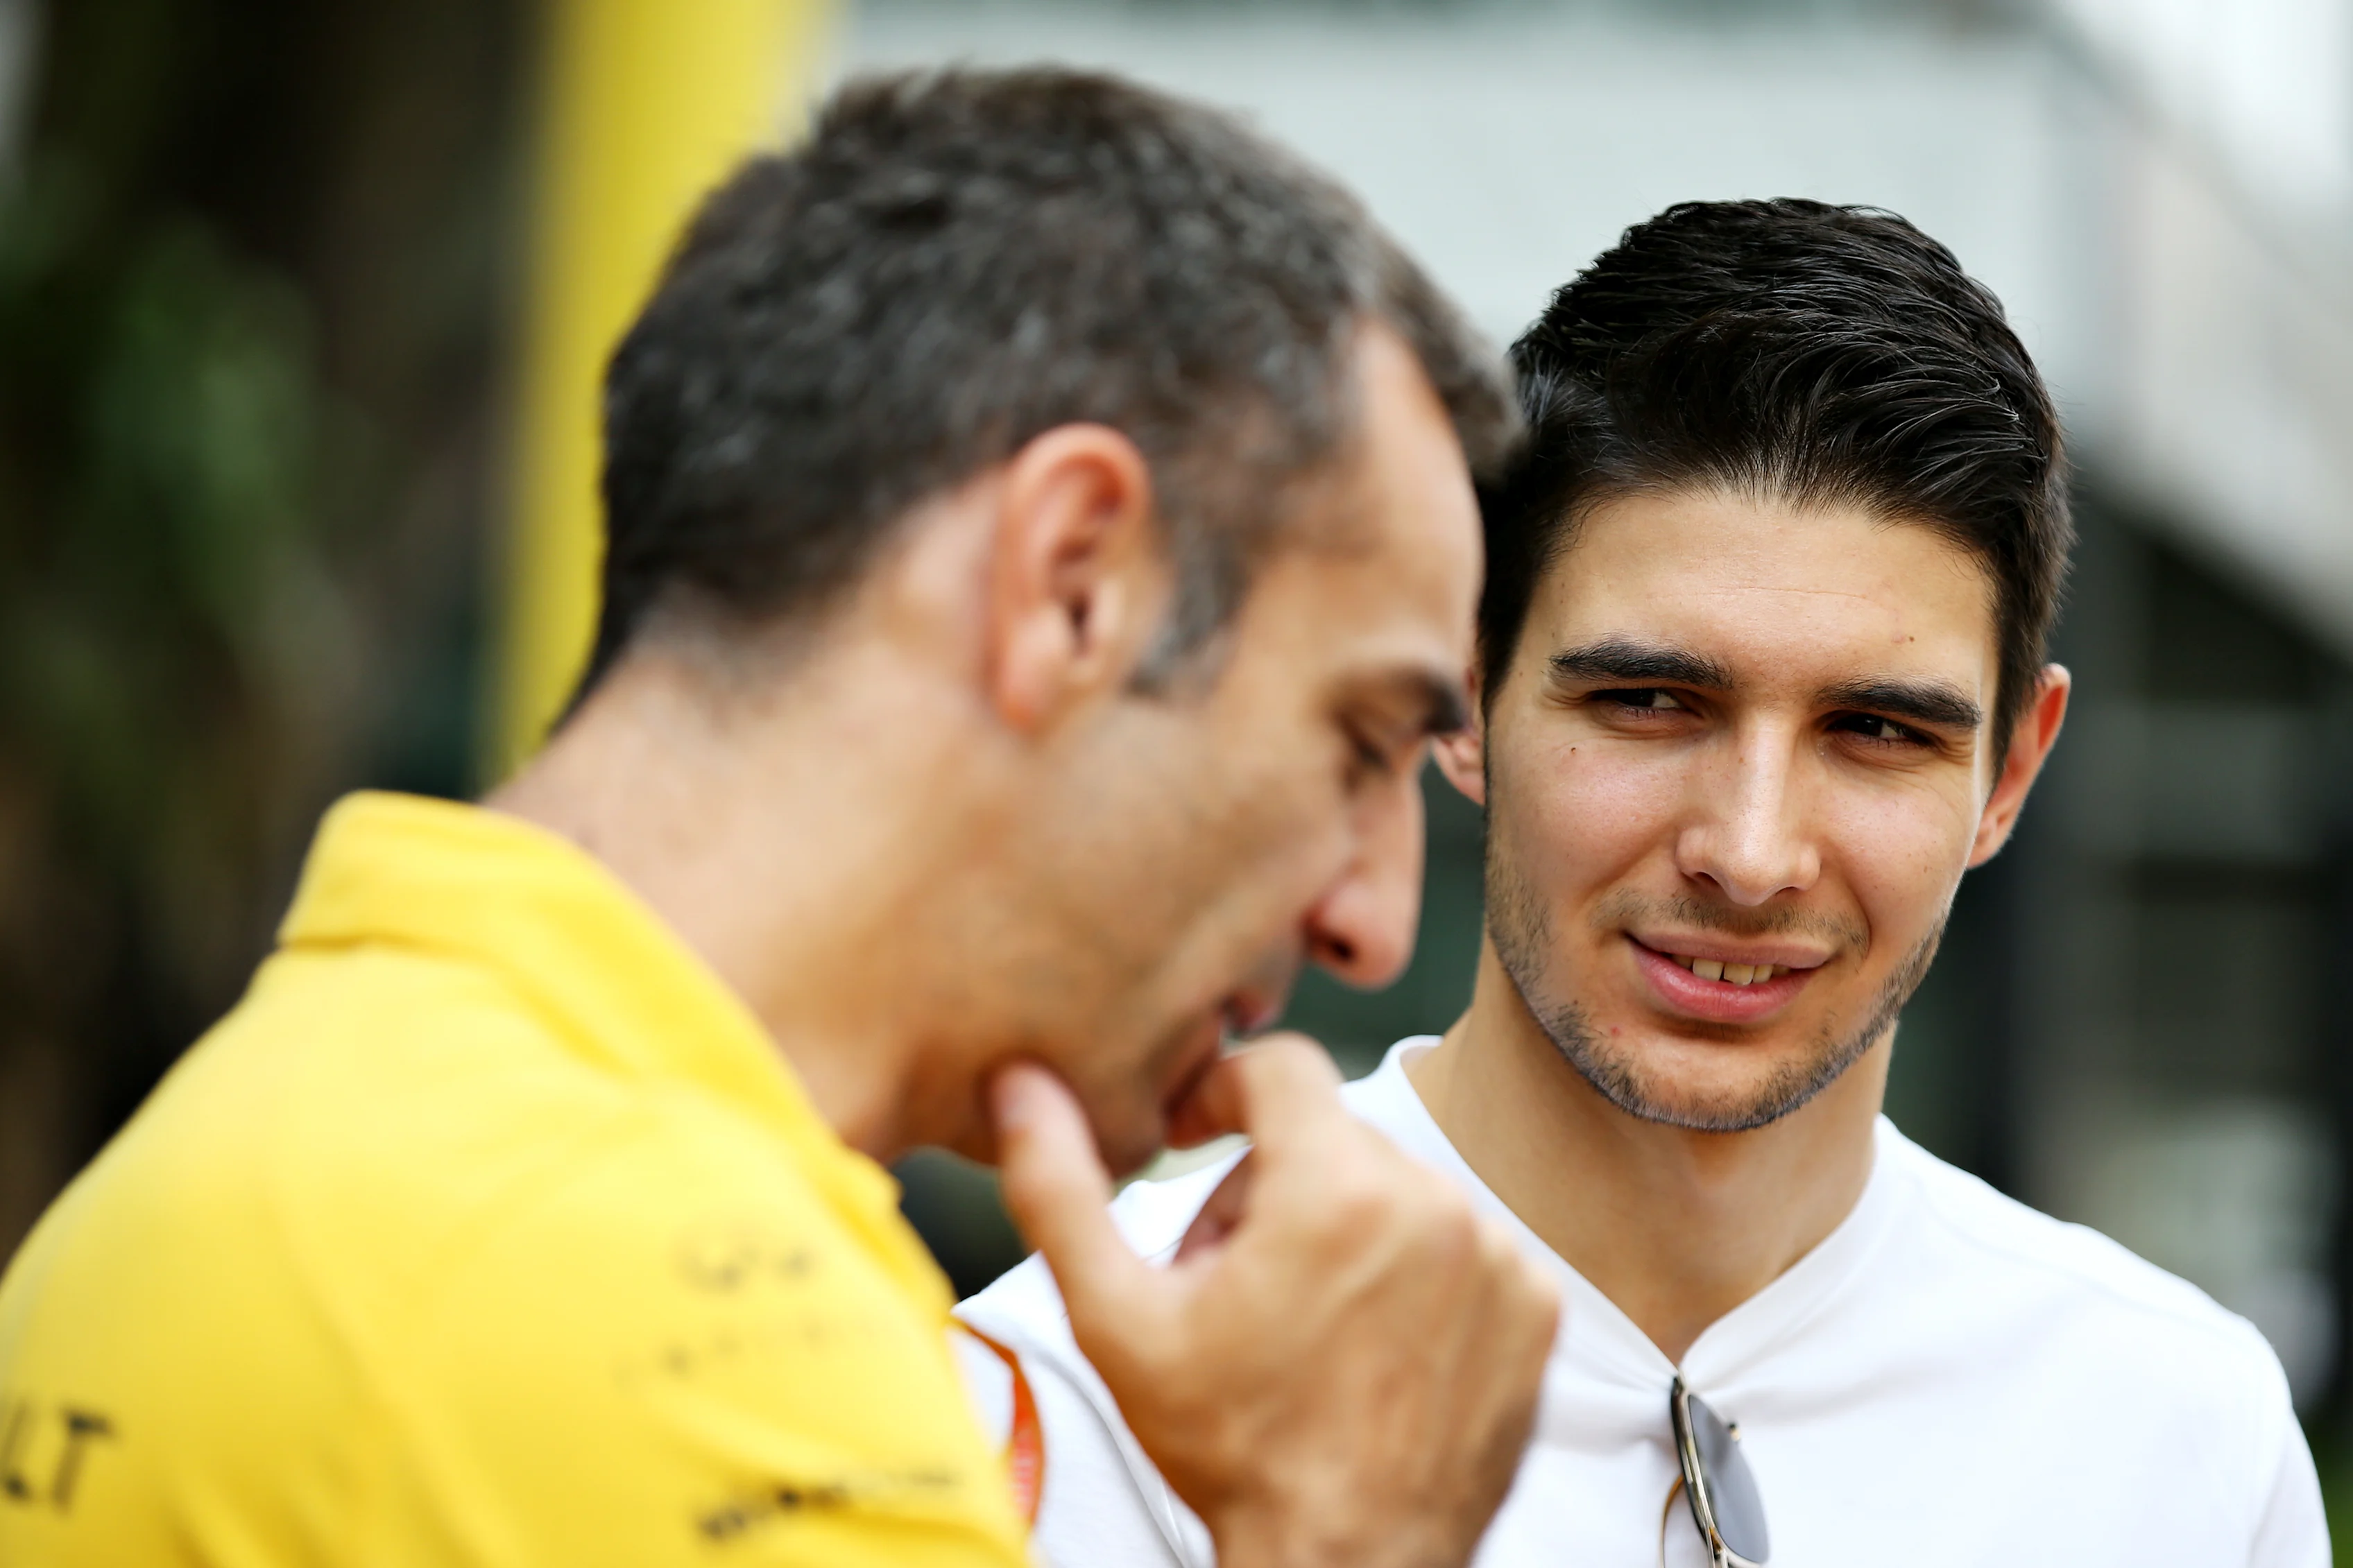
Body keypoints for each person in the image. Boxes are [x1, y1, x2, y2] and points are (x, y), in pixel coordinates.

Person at [0, 69, 1563, 1568]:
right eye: (1360, 738)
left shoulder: (312, 1111)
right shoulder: (691, 1345)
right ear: (1072, 579)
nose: (1370, 918)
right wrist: (1351, 1527)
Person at [959, 198, 2331, 1567]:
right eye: (1649, 700)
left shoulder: (2176, 1432)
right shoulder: (1058, 1410)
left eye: (1876, 730)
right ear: (1461, 685)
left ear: (2011, 775)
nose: (1748, 851)